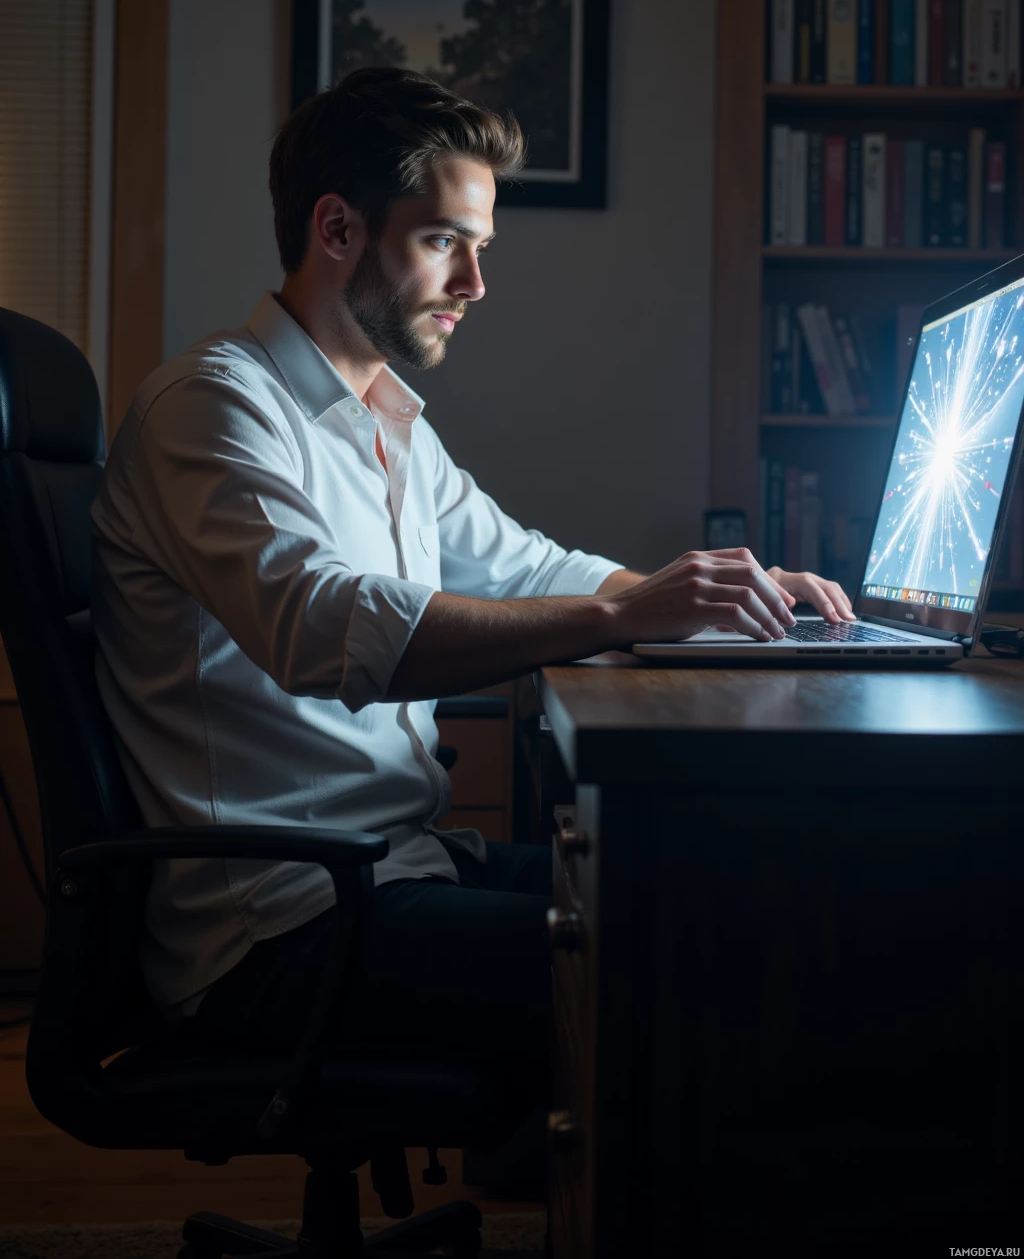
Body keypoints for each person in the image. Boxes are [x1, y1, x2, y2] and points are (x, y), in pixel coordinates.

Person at [91, 66, 854, 1081]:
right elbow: (325, 628)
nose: (474, 286)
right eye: (444, 241)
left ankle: (550, 1158)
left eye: (479, 248)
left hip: (397, 863)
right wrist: (614, 614)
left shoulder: (390, 422)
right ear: (337, 230)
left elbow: (526, 564)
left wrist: (709, 598)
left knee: (716, 895)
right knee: (699, 959)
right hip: (278, 926)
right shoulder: (214, 406)